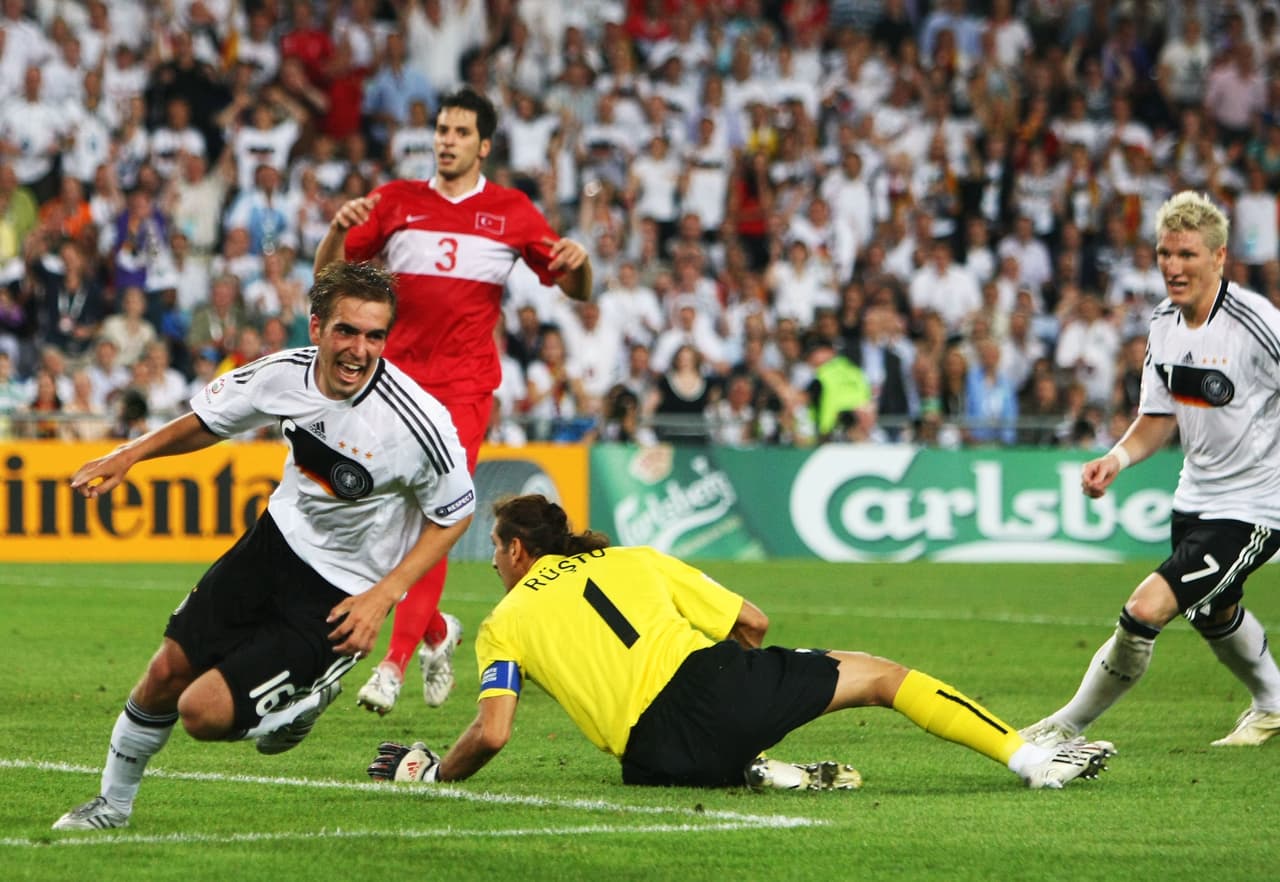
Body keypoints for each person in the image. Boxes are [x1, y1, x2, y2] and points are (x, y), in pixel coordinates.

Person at [51, 262, 475, 831]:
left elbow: (455, 513)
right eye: (347, 331)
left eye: (375, 336)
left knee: (200, 713)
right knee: (165, 673)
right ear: (317, 326)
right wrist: (128, 454)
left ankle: (309, 694)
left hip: (342, 590)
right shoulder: (285, 373)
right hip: (273, 546)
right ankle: (112, 807)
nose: (360, 350)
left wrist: (384, 596)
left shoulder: (417, 421)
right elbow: (209, 419)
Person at [366, 495, 1115, 791]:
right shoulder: (636, 559)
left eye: (496, 551)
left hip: (649, 760)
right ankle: (1030, 760)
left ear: (519, 553)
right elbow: (753, 623)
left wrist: (435, 774)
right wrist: (759, 692)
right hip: (716, 686)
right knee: (884, 677)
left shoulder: (503, 624)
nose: (494, 563)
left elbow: (493, 732)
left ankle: (757, 768)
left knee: (711, 751)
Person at [313, 86, 592, 716]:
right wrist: (336, 229)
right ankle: (436, 629)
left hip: (464, 391)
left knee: (434, 520)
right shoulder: (395, 202)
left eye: (460, 132)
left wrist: (581, 264)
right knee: (372, 526)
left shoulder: (512, 211)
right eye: (441, 129)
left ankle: (392, 664)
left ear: (484, 145)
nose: (446, 139)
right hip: (390, 387)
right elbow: (327, 280)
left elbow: (574, 286)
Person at [1021, 191, 1280, 750]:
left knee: (1145, 609)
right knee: (1214, 611)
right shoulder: (1162, 323)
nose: (1172, 266)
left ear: (1219, 257)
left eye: (1186, 254)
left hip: (1255, 507)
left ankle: (1065, 726)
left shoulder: (1257, 324)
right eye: (1165, 253)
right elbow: (1157, 418)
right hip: (1194, 499)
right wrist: (1115, 459)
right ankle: (1274, 707)